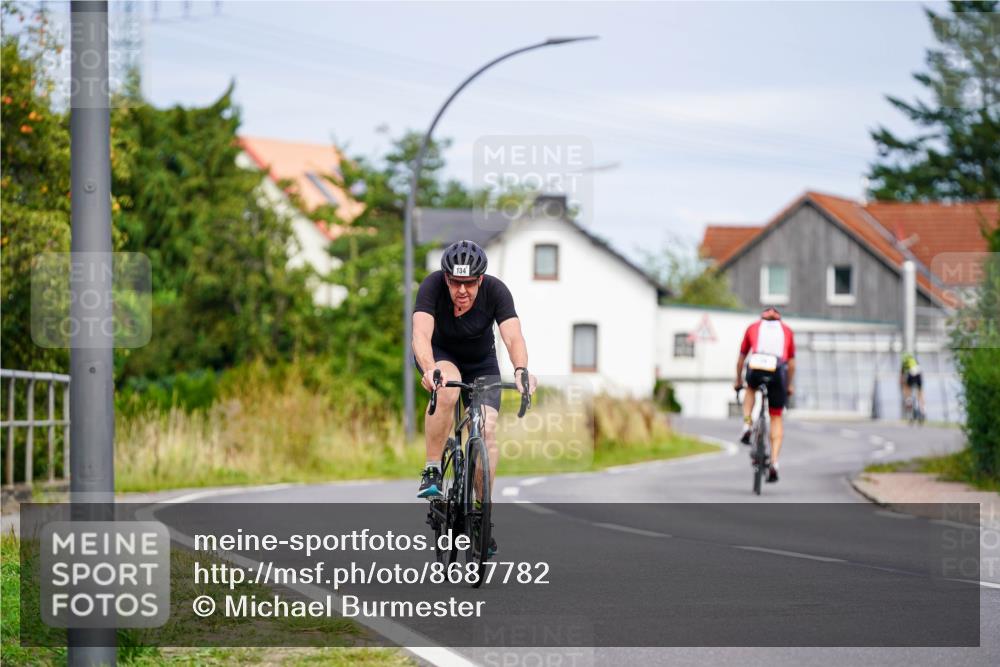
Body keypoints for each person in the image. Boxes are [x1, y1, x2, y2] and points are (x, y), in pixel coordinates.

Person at [412, 240, 536, 551]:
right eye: (456, 282)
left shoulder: (496, 292)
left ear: (480, 279)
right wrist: (429, 368)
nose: (462, 290)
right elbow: (421, 334)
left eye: (469, 283)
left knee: (486, 430)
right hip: (441, 356)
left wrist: (521, 370)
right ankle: (432, 470)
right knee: (447, 391)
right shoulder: (431, 287)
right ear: (446, 279)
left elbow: (512, 335)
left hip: (481, 362)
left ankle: (482, 513)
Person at [734, 306, 796, 483]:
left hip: (756, 366)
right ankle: (774, 462)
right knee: (775, 417)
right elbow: (791, 365)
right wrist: (789, 385)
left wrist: (738, 381)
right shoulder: (787, 331)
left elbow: (741, 359)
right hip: (778, 370)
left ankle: (747, 424)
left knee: (751, 390)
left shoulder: (753, 327)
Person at [900, 352, 925, 419]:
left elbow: (902, 377)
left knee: (906, 388)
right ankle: (922, 409)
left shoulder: (904, 363)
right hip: (918, 376)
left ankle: (908, 400)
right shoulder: (915, 361)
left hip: (910, 376)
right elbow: (920, 373)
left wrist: (902, 385)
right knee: (920, 393)